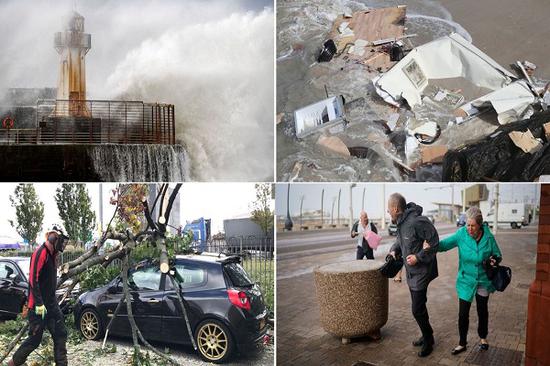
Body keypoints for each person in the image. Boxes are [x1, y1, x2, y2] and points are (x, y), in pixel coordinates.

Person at [424, 206, 502, 355]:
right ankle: (462, 343)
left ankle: (483, 337)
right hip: (466, 280)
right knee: (462, 314)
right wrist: (430, 247)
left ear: (480, 225)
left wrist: (494, 260)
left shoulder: (489, 238)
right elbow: (444, 245)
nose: (469, 228)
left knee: (482, 310)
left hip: (484, 280)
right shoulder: (461, 234)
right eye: (468, 224)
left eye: (473, 226)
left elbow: (498, 255)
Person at [387, 193, 439, 357]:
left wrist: (418, 257)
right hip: (410, 273)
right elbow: (400, 241)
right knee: (420, 307)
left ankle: (429, 340)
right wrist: (394, 250)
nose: (388, 212)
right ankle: (426, 335)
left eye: (389, 209)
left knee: (416, 309)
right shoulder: (401, 224)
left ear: (395, 208)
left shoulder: (417, 221)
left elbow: (435, 241)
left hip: (421, 272)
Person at [9, 227, 69, 366]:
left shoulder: (54, 255)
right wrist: (39, 303)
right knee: (34, 340)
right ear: (53, 238)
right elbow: (33, 280)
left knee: (61, 334)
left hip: (51, 305)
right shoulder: (40, 253)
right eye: (61, 240)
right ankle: (12, 363)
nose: (63, 244)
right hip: (38, 307)